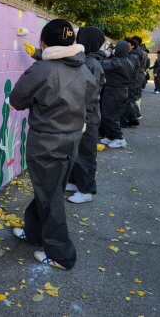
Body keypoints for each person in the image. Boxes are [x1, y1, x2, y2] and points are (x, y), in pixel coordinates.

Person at [10, 19, 97, 270]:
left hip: (46, 141)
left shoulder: (42, 69)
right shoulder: (84, 70)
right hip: (72, 139)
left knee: (50, 196)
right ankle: (34, 232)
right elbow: (90, 100)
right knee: (50, 190)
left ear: (45, 43)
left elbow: (17, 99)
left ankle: (61, 255)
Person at [66, 26, 106, 204]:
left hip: (86, 116)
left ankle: (87, 190)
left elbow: (89, 93)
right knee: (77, 151)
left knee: (85, 154)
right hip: (82, 114)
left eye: (80, 37)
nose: (77, 40)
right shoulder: (87, 59)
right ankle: (75, 182)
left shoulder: (91, 63)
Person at [99, 40, 134, 148]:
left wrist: (106, 52)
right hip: (121, 91)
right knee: (111, 114)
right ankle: (111, 136)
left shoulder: (116, 62)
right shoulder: (129, 61)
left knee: (110, 115)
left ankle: (119, 138)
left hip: (114, 91)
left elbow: (99, 64)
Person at [120, 38, 141, 128]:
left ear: (132, 46)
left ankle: (127, 121)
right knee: (129, 101)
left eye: (126, 44)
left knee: (127, 102)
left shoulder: (132, 57)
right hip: (131, 82)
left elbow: (127, 70)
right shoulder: (132, 55)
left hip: (130, 82)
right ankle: (133, 120)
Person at [132, 36, 149, 118]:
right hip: (141, 75)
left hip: (136, 75)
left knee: (133, 96)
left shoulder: (136, 52)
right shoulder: (142, 51)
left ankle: (136, 114)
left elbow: (133, 65)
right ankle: (137, 113)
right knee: (137, 96)